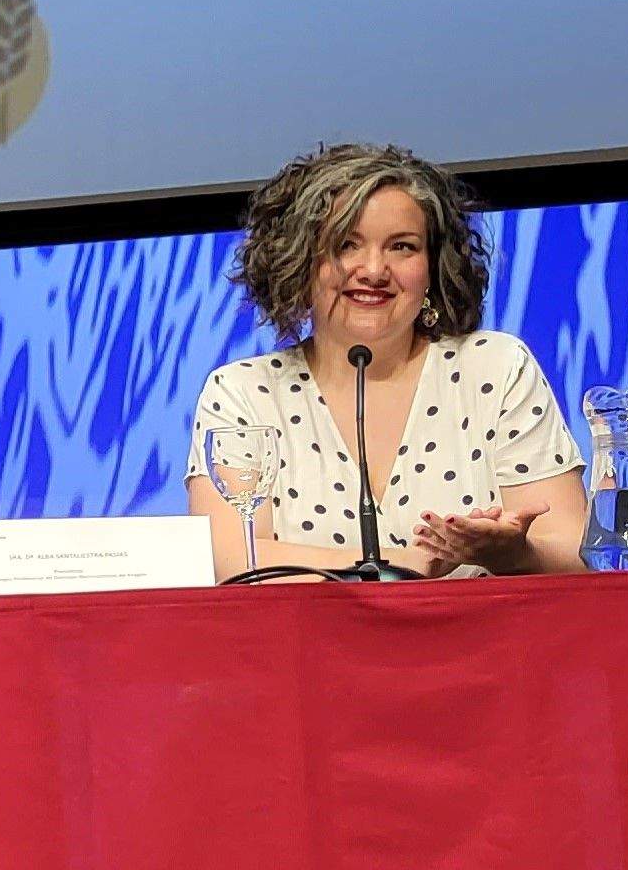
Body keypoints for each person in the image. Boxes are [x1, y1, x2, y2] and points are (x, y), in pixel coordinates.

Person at [186, 143, 583, 578]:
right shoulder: (243, 392)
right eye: (346, 245)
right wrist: (412, 564)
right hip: (304, 645)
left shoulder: (497, 368)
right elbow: (230, 560)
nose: (374, 270)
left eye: (402, 247)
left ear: (433, 268)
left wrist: (513, 554)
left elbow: (573, 554)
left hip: (489, 641)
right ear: (299, 264)